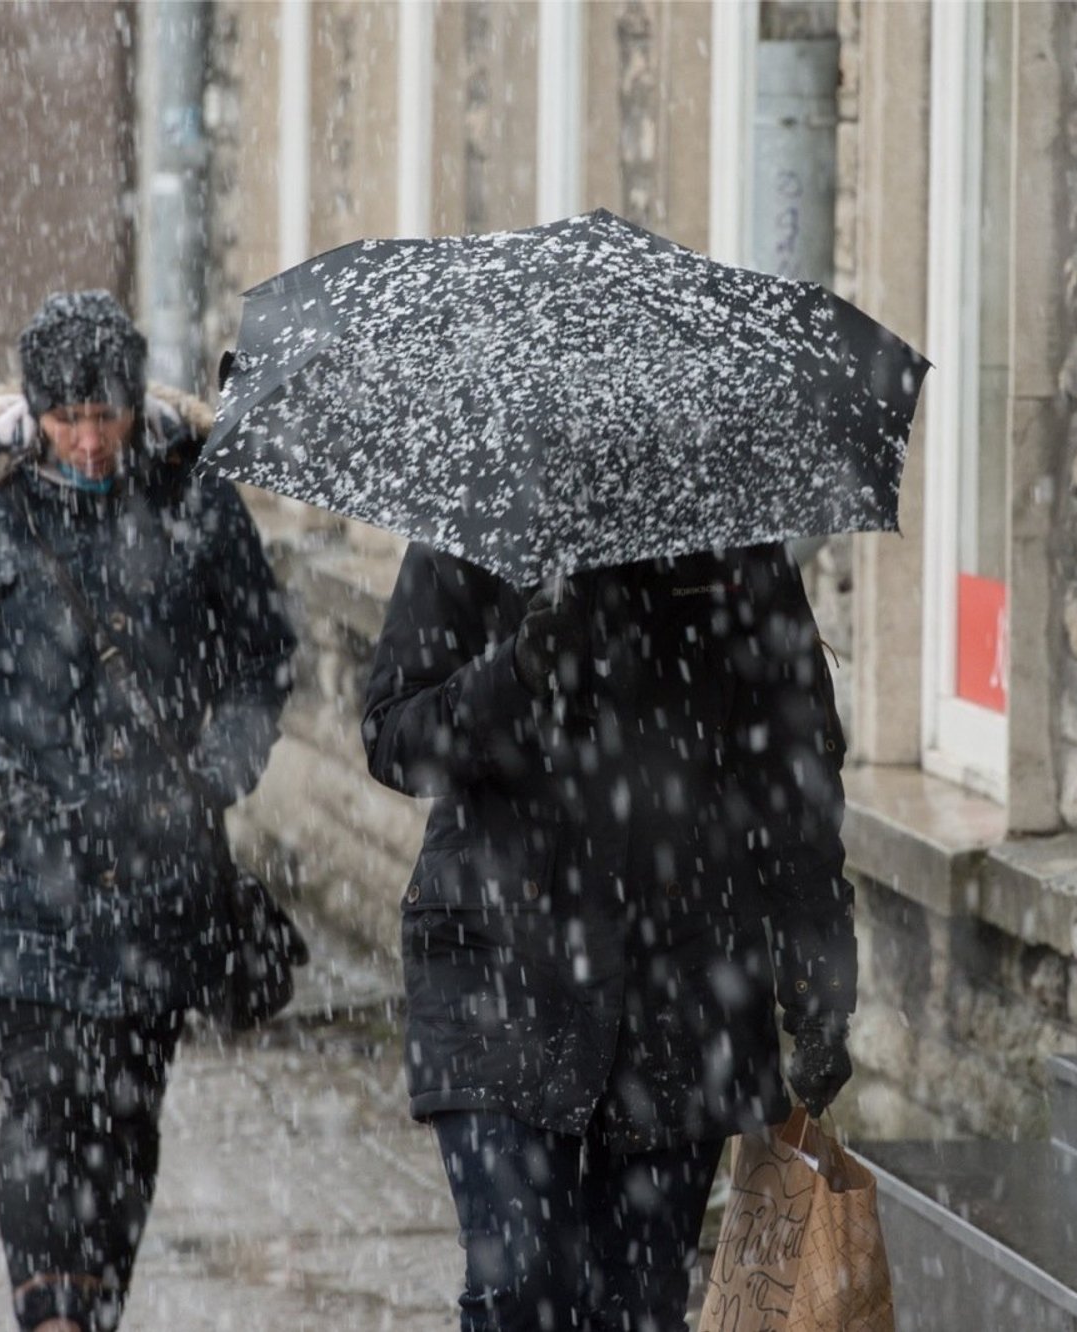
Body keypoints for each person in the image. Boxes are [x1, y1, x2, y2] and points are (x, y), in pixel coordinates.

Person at [0, 290, 296, 1332]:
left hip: (157, 879)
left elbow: (261, 662)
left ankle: (96, 1305)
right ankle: (52, 1316)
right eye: (66, 417)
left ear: (133, 404)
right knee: (43, 1100)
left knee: (121, 1115)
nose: (86, 439)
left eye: (103, 416)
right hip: (16, 879)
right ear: (31, 413)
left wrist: (213, 773)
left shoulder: (195, 510)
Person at [362, 542, 856, 1332]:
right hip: (498, 965)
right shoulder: (477, 533)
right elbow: (393, 735)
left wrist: (820, 981)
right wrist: (511, 677)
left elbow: (795, 775)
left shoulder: (730, 542)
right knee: (521, 1282)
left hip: (684, 977)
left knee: (640, 1302)